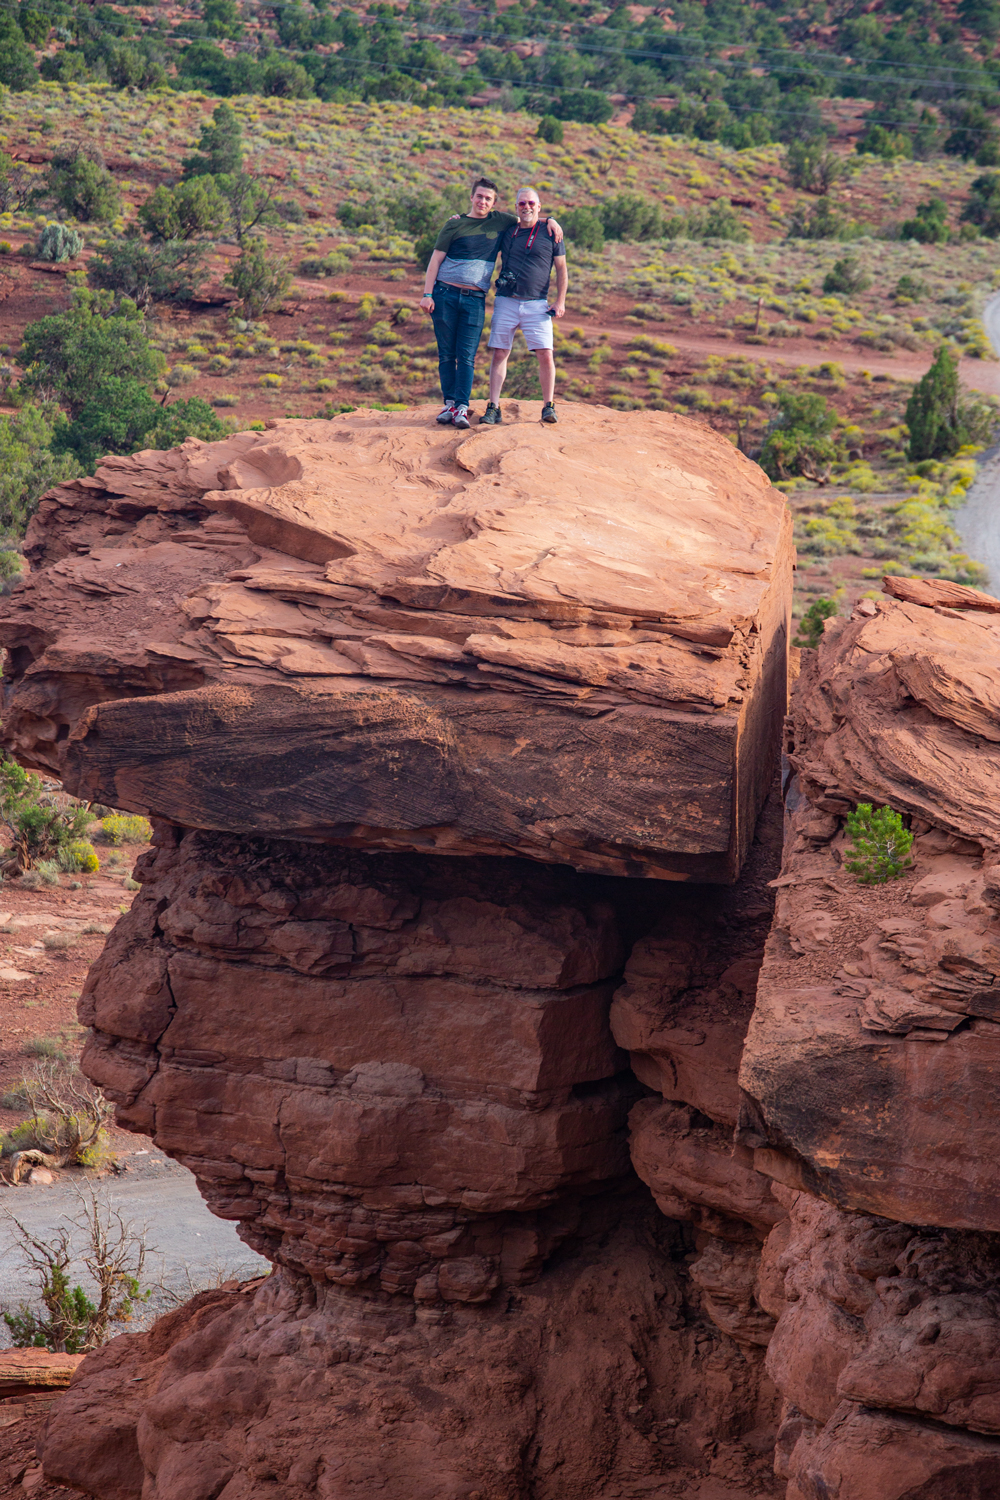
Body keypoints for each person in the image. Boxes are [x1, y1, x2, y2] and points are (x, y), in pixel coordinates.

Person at [420, 178, 561, 430]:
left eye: (488, 198)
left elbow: (528, 218)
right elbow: (435, 260)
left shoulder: (501, 221)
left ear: (494, 203)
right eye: (479, 197)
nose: (483, 201)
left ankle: (462, 407)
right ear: (471, 198)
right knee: (447, 354)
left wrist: (549, 220)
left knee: (466, 356)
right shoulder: (455, 224)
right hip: (445, 294)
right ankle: (450, 405)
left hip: (476, 299)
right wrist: (427, 294)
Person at [481, 185, 568, 427]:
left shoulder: (551, 232)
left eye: (531, 203)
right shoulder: (508, 230)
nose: (526, 207)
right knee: (500, 352)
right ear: (516, 207)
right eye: (522, 204)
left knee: (545, 354)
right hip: (506, 301)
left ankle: (548, 406)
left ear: (539, 207)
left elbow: (562, 270)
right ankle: (493, 407)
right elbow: (480, 219)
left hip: (537, 303)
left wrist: (560, 301)